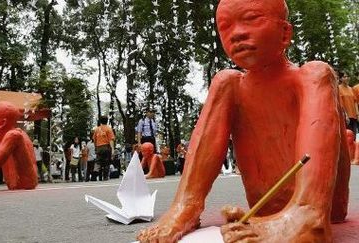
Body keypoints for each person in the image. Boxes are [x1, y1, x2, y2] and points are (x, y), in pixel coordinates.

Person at [137, 0, 350, 242]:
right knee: (224, 79)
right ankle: (186, 205)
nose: (237, 34)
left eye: (252, 19)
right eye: (225, 27)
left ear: (285, 33)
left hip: (324, 205)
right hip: (266, 208)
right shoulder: (232, 87)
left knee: (318, 71)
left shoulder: (309, 78)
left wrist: (308, 211)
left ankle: (307, 213)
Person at [93, 116, 115, 181]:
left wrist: (96, 147)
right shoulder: (109, 129)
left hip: (99, 147)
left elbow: (94, 140)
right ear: (107, 121)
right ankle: (105, 177)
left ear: (100, 121)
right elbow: (111, 140)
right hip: (106, 147)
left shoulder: (97, 129)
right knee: (106, 162)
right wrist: (112, 149)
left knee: (98, 161)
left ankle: (96, 170)